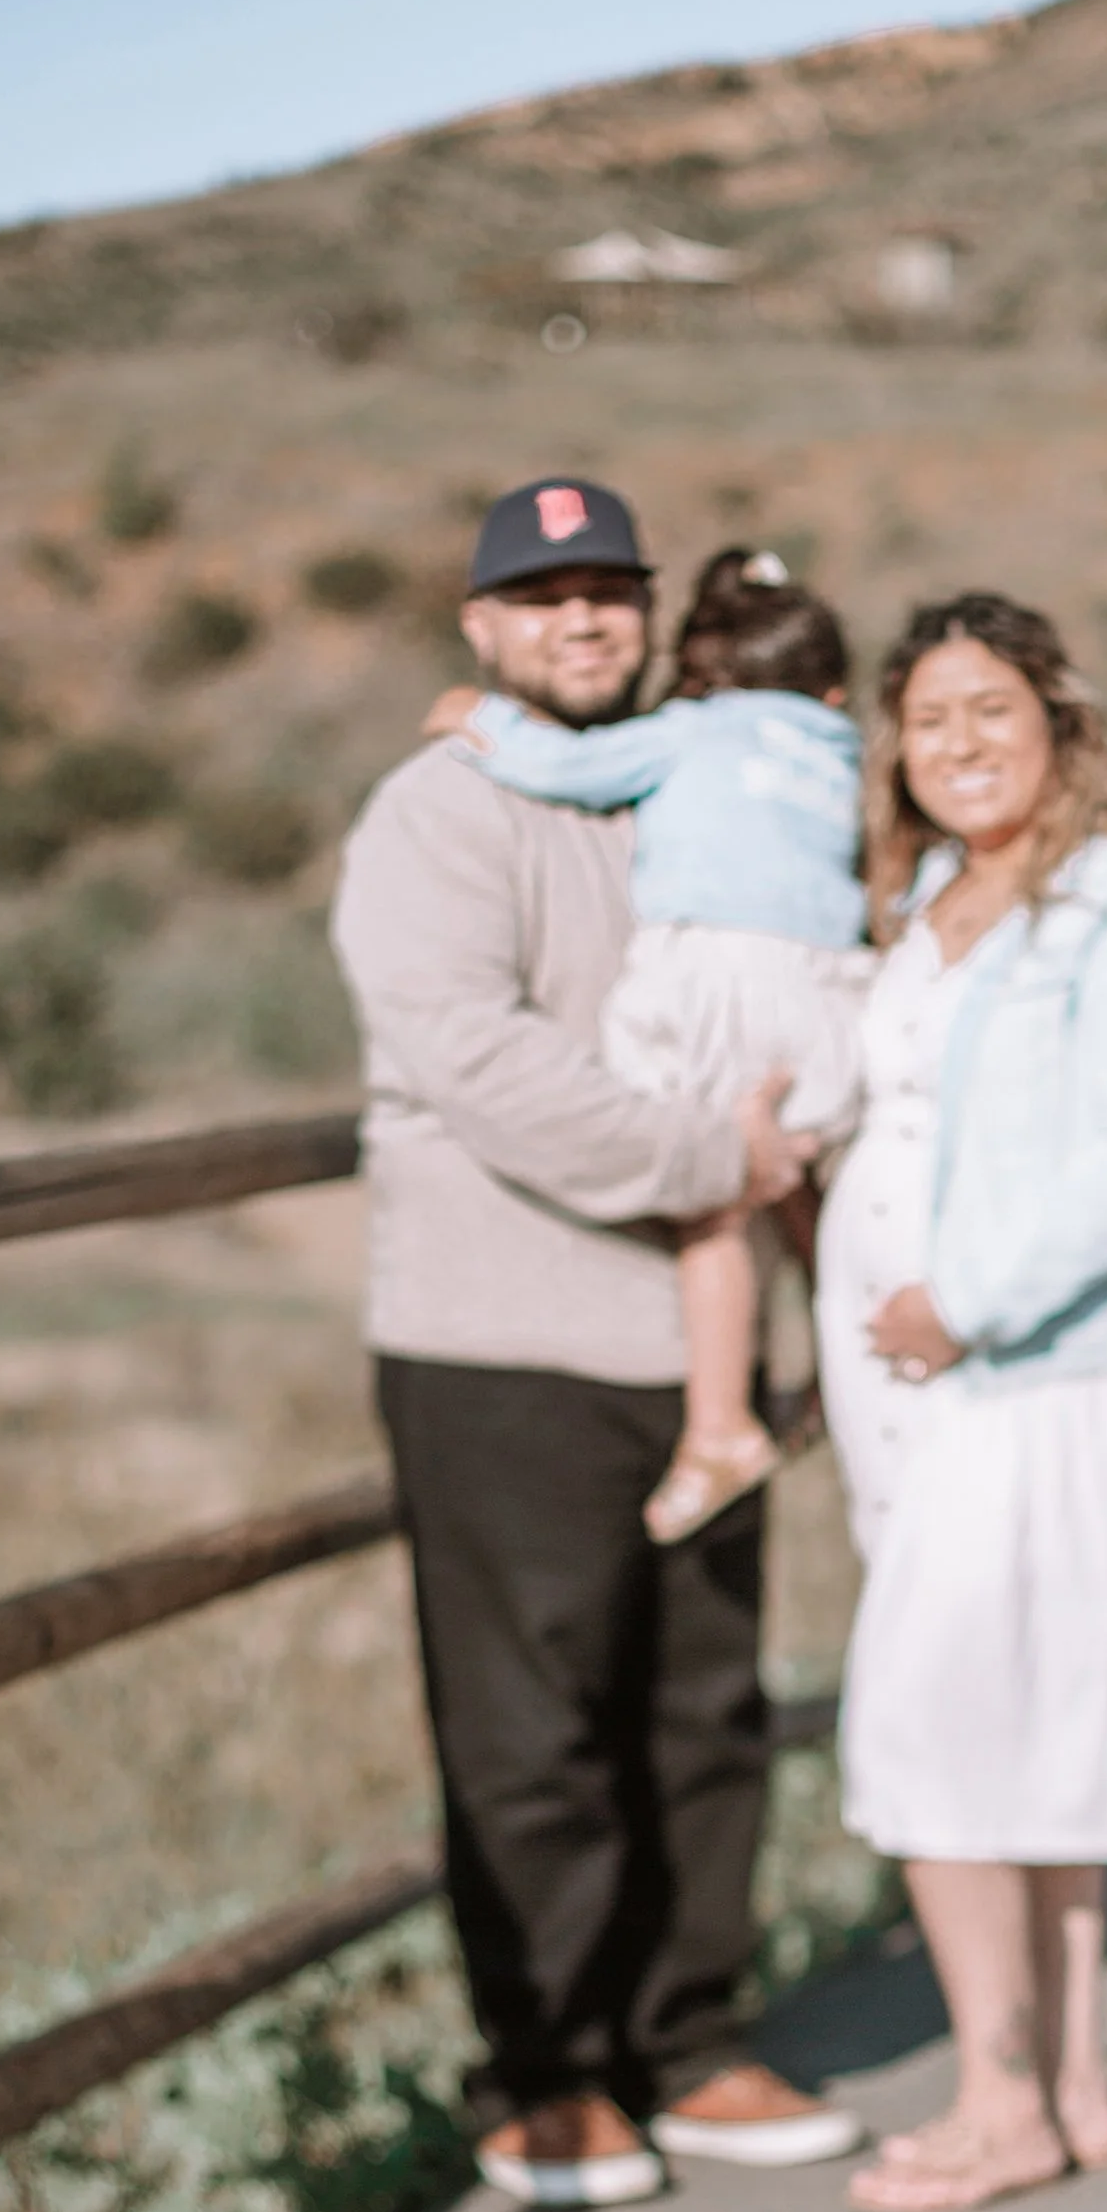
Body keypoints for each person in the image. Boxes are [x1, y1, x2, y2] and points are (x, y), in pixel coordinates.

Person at [330, 475, 863, 2207]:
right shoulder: (438, 811)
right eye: (540, 594)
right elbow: (470, 1056)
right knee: (533, 1719)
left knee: (705, 1708)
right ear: (480, 626)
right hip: (505, 1339)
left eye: (608, 590)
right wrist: (717, 1159)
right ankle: (548, 2072)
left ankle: (691, 2041)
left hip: (694, 1347)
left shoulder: (692, 779)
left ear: (651, 616)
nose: (581, 619)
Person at [817, 591, 1107, 2212]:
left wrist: (967, 1299)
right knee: (1031, 1716)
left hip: (1047, 1363)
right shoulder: (935, 887)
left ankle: (995, 2098)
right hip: (923, 1380)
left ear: (1060, 719)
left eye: (990, 708)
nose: (960, 743)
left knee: (932, 1724)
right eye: (929, 719)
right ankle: (1074, 2078)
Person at [426, 546, 869, 1543]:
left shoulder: (689, 731)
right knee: (791, 1178)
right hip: (828, 989)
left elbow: (562, 765)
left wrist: (473, 714)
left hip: (717, 978)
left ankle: (719, 1427)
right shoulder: (841, 752)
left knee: (713, 1193)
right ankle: (850, 1350)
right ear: (832, 687)